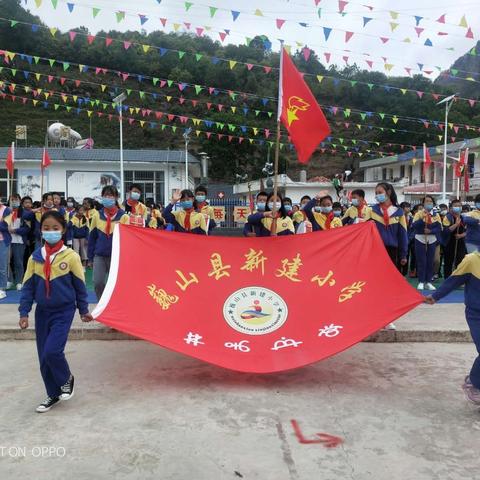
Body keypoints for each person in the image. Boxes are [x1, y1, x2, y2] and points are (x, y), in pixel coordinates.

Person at [18, 211, 93, 413]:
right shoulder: (35, 257)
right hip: (42, 312)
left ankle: (66, 378)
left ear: (63, 230)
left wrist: (83, 309)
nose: (50, 232)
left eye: (55, 228)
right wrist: (24, 312)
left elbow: (80, 286)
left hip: (64, 311)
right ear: (41, 231)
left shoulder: (72, 257)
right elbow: (27, 287)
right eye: (46, 228)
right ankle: (52, 393)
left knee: (53, 351)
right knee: (43, 357)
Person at [424, 251, 480, 405]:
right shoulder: (472, 260)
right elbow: (453, 281)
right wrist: (436, 296)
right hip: (477, 315)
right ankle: (474, 384)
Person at [88, 186, 129, 300]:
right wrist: (90, 258)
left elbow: (128, 240)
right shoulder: (96, 215)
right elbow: (92, 237)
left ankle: (114, 305)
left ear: (116, 197)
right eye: (105, 195)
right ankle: (102, 303)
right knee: (98, 282)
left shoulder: (124, 217)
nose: (108, 198)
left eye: (110, 195)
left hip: (116, 257)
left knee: (117, 284)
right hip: (99, 255)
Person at [370, 182, 408, 270]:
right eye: (376, 193)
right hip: (375, 250)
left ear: (389, 192)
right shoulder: (371, 211)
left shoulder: (399, 212)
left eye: (380, 192)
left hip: (393, 251)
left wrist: (403, 255)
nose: (377, 195)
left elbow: (403, 235)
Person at [0, 194, 34, 291]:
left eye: (16, 199)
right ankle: (9, 280)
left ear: (20, 201)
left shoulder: (26, 213)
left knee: (18, 262)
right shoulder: (6, 211)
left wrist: (15, 231)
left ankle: (19, 281)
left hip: (18, 241)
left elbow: (27, 229)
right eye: (12, 199)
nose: (14, 201)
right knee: (5, 262)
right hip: (6, 240)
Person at [411, 195, 442, 291]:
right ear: (423, 203)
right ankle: (421, 281)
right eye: (426, 201)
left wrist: (431, 231)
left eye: (430, 201)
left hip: (432, 239)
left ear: (433, 203)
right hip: (420, 238)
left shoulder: (436, 215)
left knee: (430, 261)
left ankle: (428, 282)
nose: (428, 203)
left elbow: (439, 228)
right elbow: (414, 225)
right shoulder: (419, 214)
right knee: (422, 261)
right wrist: (422, 220)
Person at [442, 200, 467, 278]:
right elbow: (446, 231)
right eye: (455, 206)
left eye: (459, 206)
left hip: (460, 242)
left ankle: (458, 279)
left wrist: (461, 235)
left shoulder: (464, 217)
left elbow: (468, 231)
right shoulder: (447, 217)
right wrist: (456, 225)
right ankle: (447, 278)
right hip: (449, 242)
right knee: (448, 261)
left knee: (460, 260)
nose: (458, 207)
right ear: (451, 207)